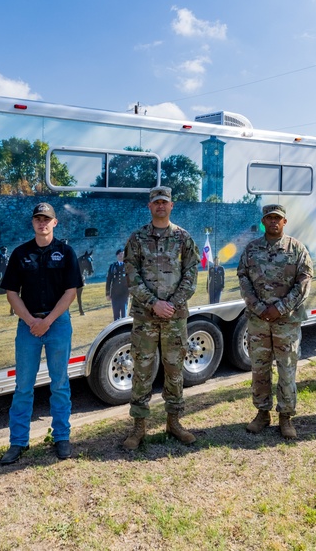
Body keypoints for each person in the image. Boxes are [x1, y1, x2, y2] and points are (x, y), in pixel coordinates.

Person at [0, 203, 82, 465]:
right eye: (38, 219)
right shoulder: (20, 253)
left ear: (55, 223)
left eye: (47, 219)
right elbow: (11, 292)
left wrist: (48, 321)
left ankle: (61, 438)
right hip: (28, 326)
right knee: (23, 387)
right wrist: (32, 321)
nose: (42, 223)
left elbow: (71, 291)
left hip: (57, 324)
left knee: (59, 384)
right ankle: (18, 442)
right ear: (33, 223)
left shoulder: (66, 252)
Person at [121, 186, 200, 449]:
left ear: (171, 205)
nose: (160, 206)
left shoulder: (183, 238)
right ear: (150, 206)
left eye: (164, 202)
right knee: (142, 370)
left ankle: (174, 422)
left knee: (175, 370)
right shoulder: (137, 238)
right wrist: (154, 303)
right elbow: (132, 277)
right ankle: (139, 427)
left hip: (175, 318)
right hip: (145, 317)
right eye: (156, 202)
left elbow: (191, 276)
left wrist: (171, 304)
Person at [237, 204, 313, 439]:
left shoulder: (297, 249)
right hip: (258, 321)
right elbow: (243, 279)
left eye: (277, 218)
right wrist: (260, 308)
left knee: (286, 370)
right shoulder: (251, 249)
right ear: (263, 221)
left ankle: (286, 416)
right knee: (259, 368)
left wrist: (279, 308)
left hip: (286, 321)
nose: (273, 222)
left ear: (284, 222)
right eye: (269, 218)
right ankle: (262, 413)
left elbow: (304, 282)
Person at [105, 249, 130, 321]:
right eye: (119, 254)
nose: (121, 256)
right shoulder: (112, 266)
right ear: (117, 256)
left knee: (124, 315)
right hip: (115, 294)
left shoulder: (128, 266)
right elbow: (109, 280)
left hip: (124, 294)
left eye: (122, 254)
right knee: (116, 315)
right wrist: (107, 293)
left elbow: (131, 280)